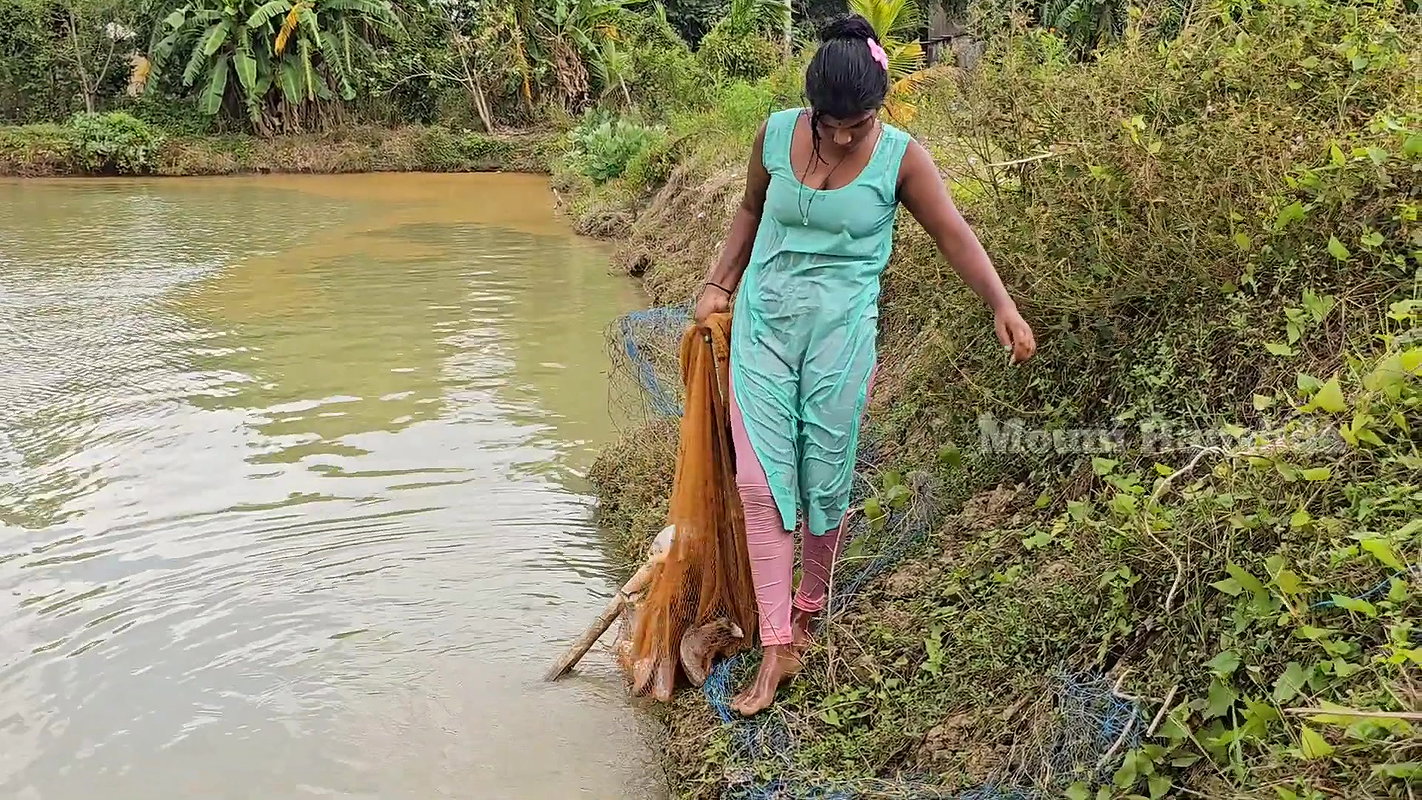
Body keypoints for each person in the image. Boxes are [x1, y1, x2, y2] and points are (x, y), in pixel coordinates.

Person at [692, 14, 1037, 716]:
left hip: (839, 335)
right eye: (832, 123)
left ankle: (809, 607)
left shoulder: (902, 157)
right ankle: (777, 643)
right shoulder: (775, 133)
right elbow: (751, 210)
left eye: (859, 123)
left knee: (825, 477)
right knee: (760, 481)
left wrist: (1001, 302)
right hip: (765, 323)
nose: (845, 136)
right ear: (811, 106)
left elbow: (952, 232)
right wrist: (718, 284)